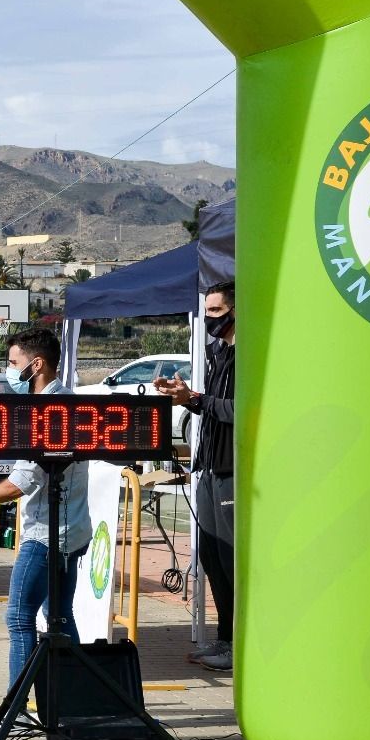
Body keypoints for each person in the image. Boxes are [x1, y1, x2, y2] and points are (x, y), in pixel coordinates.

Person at [0, 328, 90, 732]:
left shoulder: (47, 414)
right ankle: (76, 705)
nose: (8, 371)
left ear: (36, 365)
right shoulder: (70, 402)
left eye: (12, 363)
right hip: (75, 532)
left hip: (48, 535)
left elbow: (19, 484)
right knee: (60, 616)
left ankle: (15, 714)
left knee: (19, 617)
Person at [154, 281, 236, 673]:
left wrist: (196, 399)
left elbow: (241, 409)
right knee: (211, 557)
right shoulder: (219, 354)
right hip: (209, 468)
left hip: (233, 471)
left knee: (230, 558)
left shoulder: (249, 357)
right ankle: (225, 638)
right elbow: (214, 407)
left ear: (237, 311)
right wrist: (185, 397)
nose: (210, 320)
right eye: (208, 312)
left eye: (217, 311)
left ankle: (239, 645)